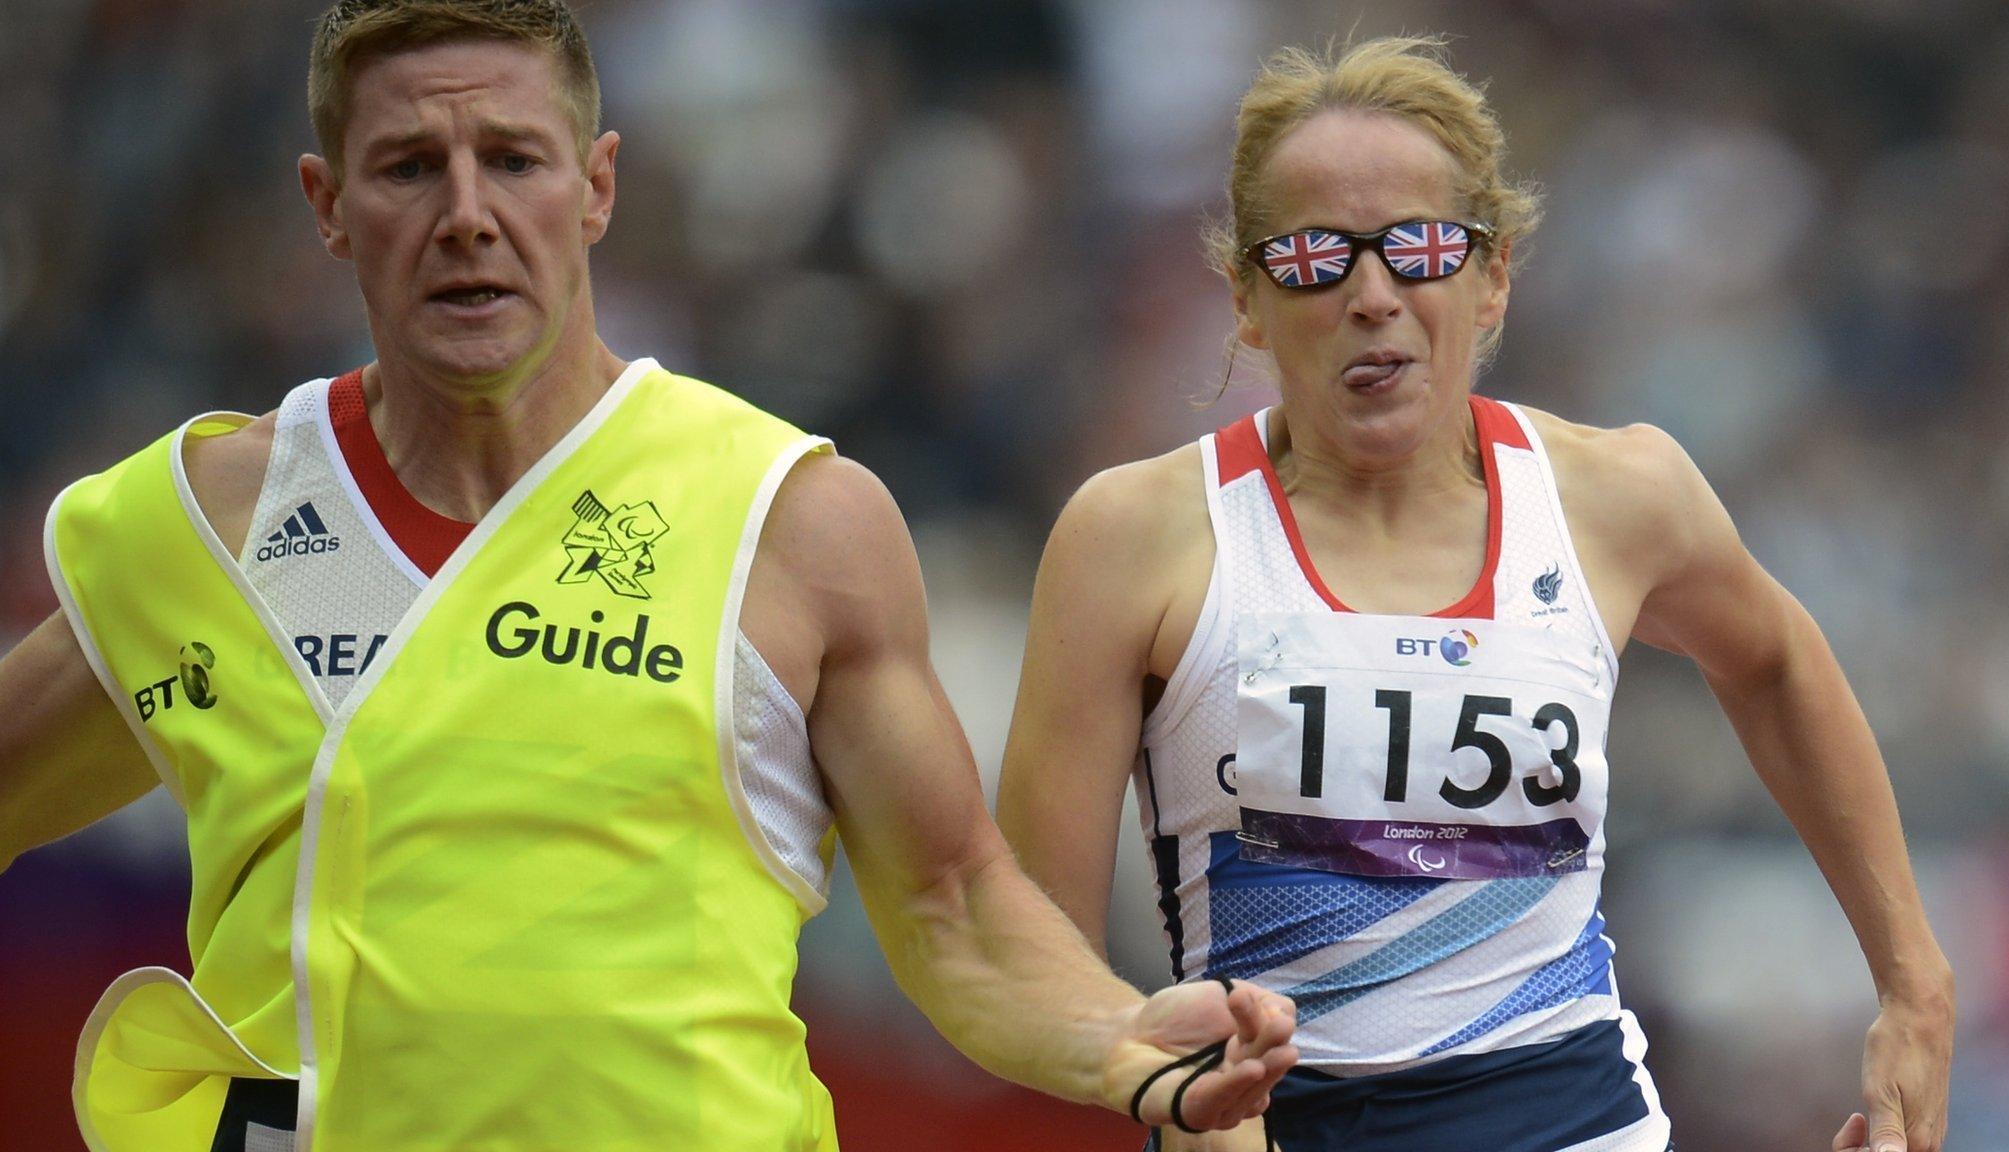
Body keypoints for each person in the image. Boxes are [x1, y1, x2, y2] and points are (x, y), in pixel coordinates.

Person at [0, 3, 1300, 1149]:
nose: (467, 216)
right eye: (408, 167)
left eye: (513, 160)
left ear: (598, 186)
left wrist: (1119, 1037)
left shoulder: (788, 522)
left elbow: (954, 904)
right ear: (329, 205)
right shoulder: (211, 526)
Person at [995, 35, 1952, 1152]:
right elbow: (1022, 942)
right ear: (1248, 300)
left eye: (1417, 248)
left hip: (1563, 1111)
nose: (1370, 295)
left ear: (1490, 277)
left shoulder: (1614, 498)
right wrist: (1157, 1073)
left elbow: (1776, 661)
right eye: (1314, 256)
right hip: (1269, 1117)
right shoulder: (1135, 537)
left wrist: (1912, 989)